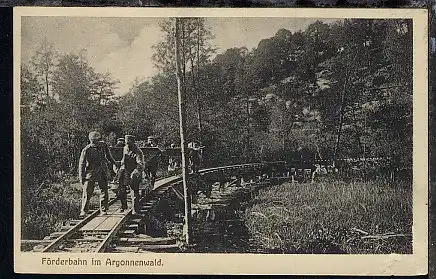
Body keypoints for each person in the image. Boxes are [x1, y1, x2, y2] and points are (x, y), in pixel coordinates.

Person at [78, 131, 111, 217]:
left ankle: (104, 209)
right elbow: (82, 164)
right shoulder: (86, 150)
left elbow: (108, 156)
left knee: (104, 191)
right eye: (93, 141)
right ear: (90, 141)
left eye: (96, 141)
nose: (95, 143)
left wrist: (114, 163)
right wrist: (82, 178)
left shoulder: (103, 146)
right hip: (91, 172)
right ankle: (84, 210)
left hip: (102, 170)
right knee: (87, 192)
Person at [118, 135, 144, 214]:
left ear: (133, 142)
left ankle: (135, 209)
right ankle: (123, 205)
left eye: (129, 143)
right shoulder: (125, 148)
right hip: (125, 170)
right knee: (121, 189)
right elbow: (123, 160)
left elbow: (140, 164)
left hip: (134, 171)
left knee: (134, 190)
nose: (128, 145)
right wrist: (120, 167)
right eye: (126, 143)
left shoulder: (138, 151)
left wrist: (135, 173)